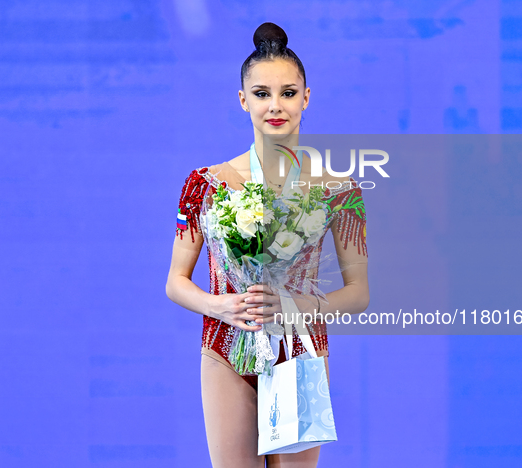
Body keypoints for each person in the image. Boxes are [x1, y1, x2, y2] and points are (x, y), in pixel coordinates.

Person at [166, 22, 370, 468]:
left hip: (300, 349)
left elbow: (359, 293)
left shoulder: (339, 190)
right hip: (225, 345)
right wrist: (220, 306)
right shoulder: (206, 184)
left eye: (288, 92)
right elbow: (175, 282)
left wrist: (296, 305)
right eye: (261, 93)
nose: (275, 105)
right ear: (243, 100)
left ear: (307, 97)